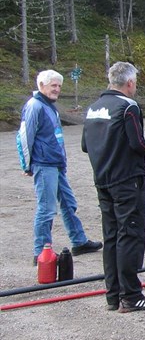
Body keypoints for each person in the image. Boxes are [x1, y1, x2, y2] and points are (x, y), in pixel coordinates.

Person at [81, 61, 145, 312]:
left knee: (111, 237)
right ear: (129, 83)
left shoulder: (93, 108)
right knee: (130, 235)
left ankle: (113, 295)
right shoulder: (127, 106)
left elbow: (85, 146)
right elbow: (137, 142)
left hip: (103, 180)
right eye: (136, 83)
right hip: (127, 180)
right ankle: (130, 295)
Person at [17, 69, 102, 265]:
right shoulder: (34, 106)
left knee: (68, 203)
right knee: (46, 209)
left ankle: (79, 241)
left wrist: (62, 162)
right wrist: (27, 164)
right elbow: (24, 136)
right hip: (43, 163)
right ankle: (40, 252)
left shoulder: (50, 107)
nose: (57, 89)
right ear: (41, 86)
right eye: (53, 85)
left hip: (56, 164)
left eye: (59, 86)